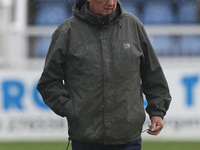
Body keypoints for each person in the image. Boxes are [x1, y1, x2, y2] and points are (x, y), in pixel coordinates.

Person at [37, 0, 171, 150]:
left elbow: (153, 75)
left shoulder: (133, 26)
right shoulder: (67, 31)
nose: (111, 3)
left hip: (128, 138)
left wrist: (157, 112)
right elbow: (48, 82)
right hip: (85, 138)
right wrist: (72, 109)